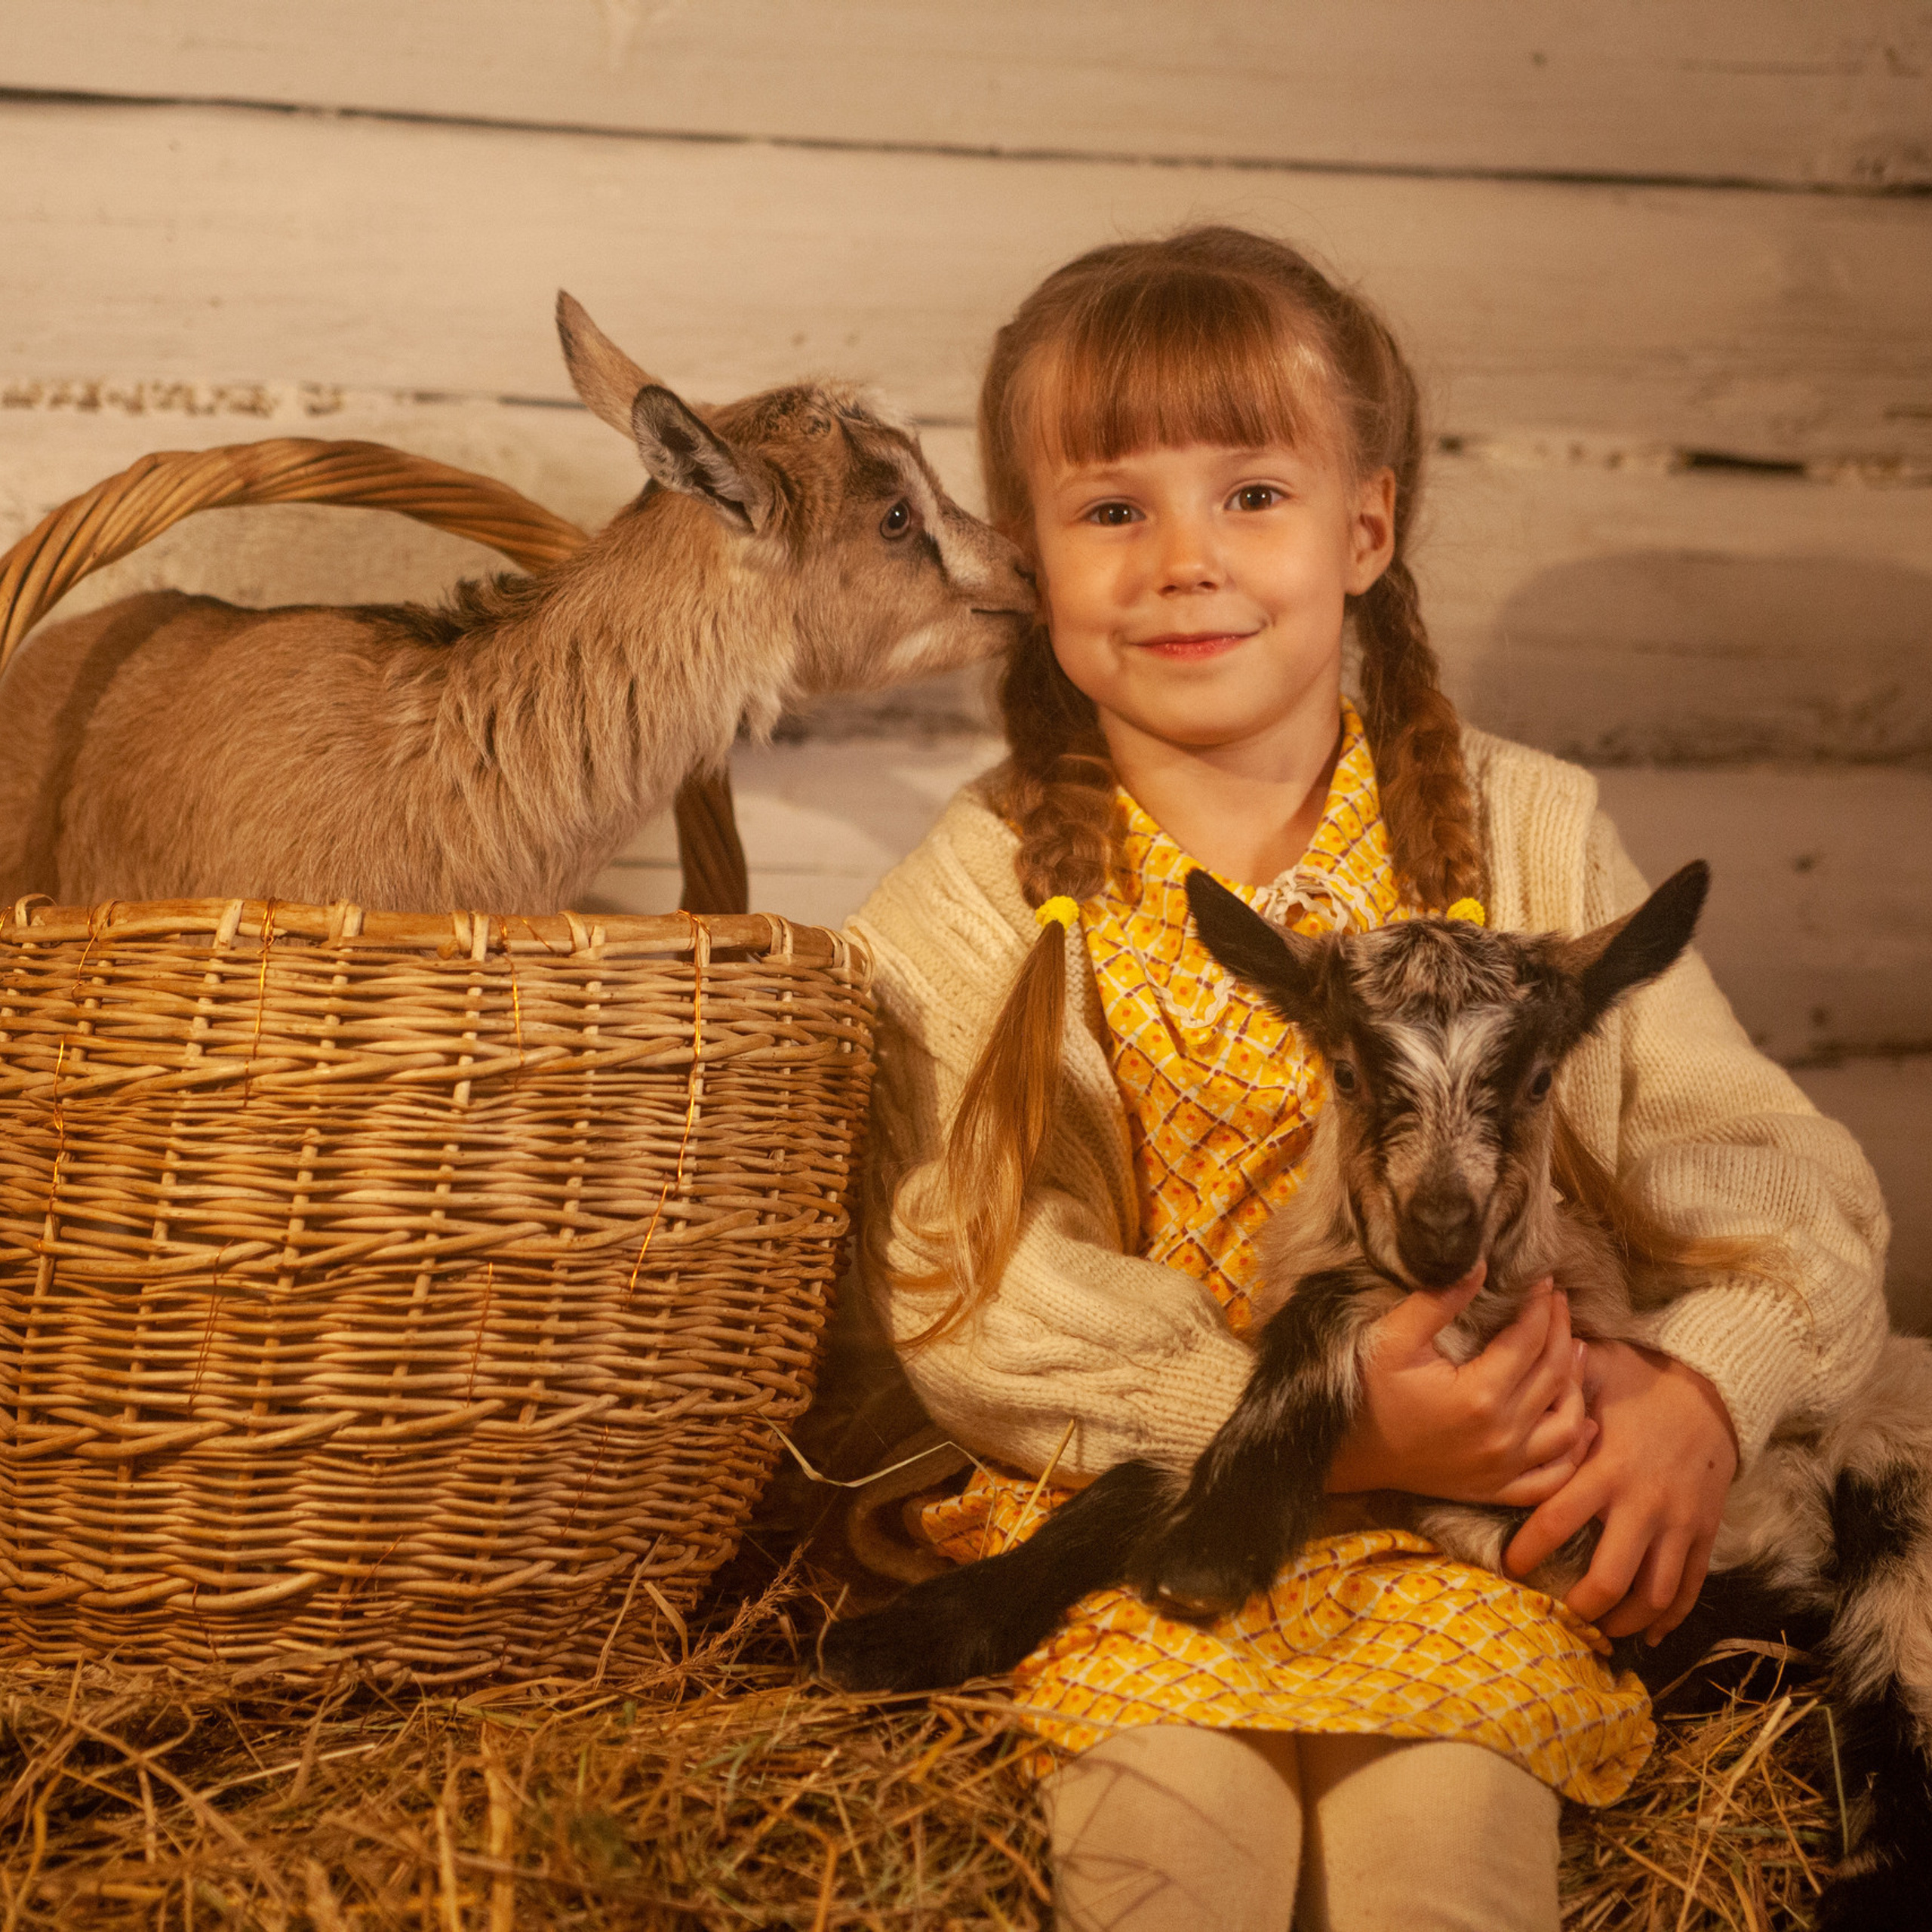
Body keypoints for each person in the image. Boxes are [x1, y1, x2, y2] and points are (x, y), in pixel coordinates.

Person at [844, 226, 1888, 1932]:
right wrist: (1294, 1426)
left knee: (1443, 1849)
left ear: (1364, 526)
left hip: (1475, 1519)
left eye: (1248, 492)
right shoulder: (981, 893)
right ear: (1028, 555)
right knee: (1171, 1846)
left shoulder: (1523, 834)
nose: (1182, 559)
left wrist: (1707, 1387)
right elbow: (955, 1272)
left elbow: (1762, 1161)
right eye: (1111, 509)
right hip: (1156, 1512)